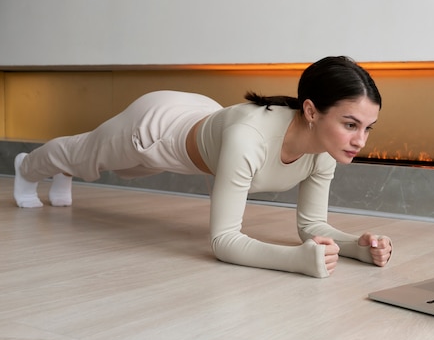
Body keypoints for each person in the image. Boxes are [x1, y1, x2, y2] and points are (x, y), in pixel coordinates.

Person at [13, 56, 392, 278]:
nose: (360, 140)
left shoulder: (326, 149)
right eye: (350, 124)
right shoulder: (249, 139)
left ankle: (64, 169)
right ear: (311, 111)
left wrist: (356, 248)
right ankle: (26, 168)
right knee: (84, 154)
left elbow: (311, 226)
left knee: (85, 161)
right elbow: (223, 240)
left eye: (366, 128)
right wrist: (296, 260)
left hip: (202, 120)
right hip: (156, 128)